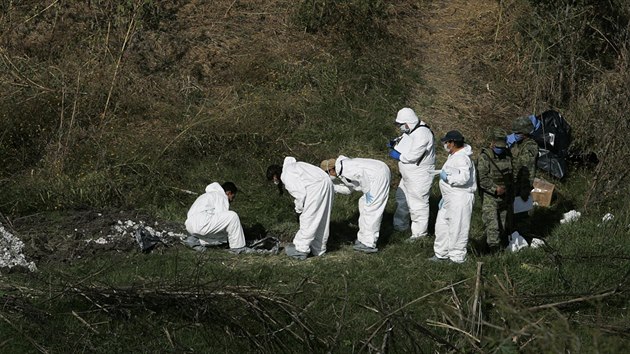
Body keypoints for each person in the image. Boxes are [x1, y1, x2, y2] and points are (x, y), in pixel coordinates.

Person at [266, 157, 335, 260]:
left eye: (274, 180)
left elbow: (300, 194)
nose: (276, 182)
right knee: (322, 219)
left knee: (308, 219)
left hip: (316, 187)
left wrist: (298, 211)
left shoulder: (287, 174)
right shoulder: (295, 166)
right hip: (327, 183)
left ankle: (300, 249)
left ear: (275, 176)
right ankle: (319, 249)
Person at [320, 156, 391, 253]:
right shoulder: (341, 170)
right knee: (363, 205)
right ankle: (363, 239)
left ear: (331, 170)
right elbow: (349, 189)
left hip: (378, 175)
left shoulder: (346, 168)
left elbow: (361, 175)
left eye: (326, 173)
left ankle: (368, 244)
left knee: (371, 210)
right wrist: (332, 187)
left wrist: (367, 192)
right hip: (374, 174)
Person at [387, 107, 436, 241]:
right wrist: (395, 144)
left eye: (401, 124)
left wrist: (397, 155)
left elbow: (413, 156)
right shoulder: (412, 130)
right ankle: (400, 226)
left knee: (417, 204)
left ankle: (419, 235)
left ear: (409, 122)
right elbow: (405, 141)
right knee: (402, 199)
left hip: (419, 175)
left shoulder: (423, 133)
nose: (401, 127)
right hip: (408, 174)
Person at [430, 130, 476, 263]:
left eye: (447, 142)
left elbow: (463, 178)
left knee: (458, 227)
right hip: (450, 197)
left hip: (460, 197)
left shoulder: (462, 158)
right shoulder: (454, 155)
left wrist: (448, 178)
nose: (445, 144)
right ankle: (441, 254)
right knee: (442, 226)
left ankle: (457, 258)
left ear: (453, 143)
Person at [477, 128, 513, 253]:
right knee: (493, 226)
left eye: (502, 147)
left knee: (502, 225)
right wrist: (495, 189)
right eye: (498, 147)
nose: (500, 150)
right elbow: (482, 179)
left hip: (504, 196)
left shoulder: (508, 155)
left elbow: (510, 173)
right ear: (492, 143)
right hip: (490, 196)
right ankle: (494, 253)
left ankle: (496, 248)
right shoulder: (485, 157)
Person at [184, 182, 247, 253]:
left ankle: (196, 240)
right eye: (233, 196)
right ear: (229, 193)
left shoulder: (207, 195)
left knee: (220, 232)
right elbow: (222, 218)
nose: (232, 200)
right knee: (233, 216)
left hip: (190, 226)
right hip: (202, 223)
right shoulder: (221, 196)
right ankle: (238, 248)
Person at [508, 116, 539, 240]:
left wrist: (524, 188)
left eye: (518, 133)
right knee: (513, 214)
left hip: (522, 185)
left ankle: (525, 239)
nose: (515, 135)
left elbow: (526, 168)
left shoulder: (530, 147)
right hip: (514, 184)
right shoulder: (518, 144)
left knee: (522, 215)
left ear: (525, 132)